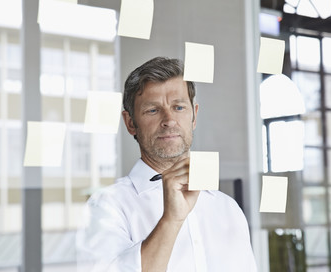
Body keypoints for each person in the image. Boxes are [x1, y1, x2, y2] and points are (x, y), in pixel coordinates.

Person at [76, 57, 257, 271]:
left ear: (194, 117)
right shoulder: (106, 207)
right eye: (153, 110)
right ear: (130, 123)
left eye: (179, 107)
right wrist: (170, 220)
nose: (169, 120)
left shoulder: (227, 208)